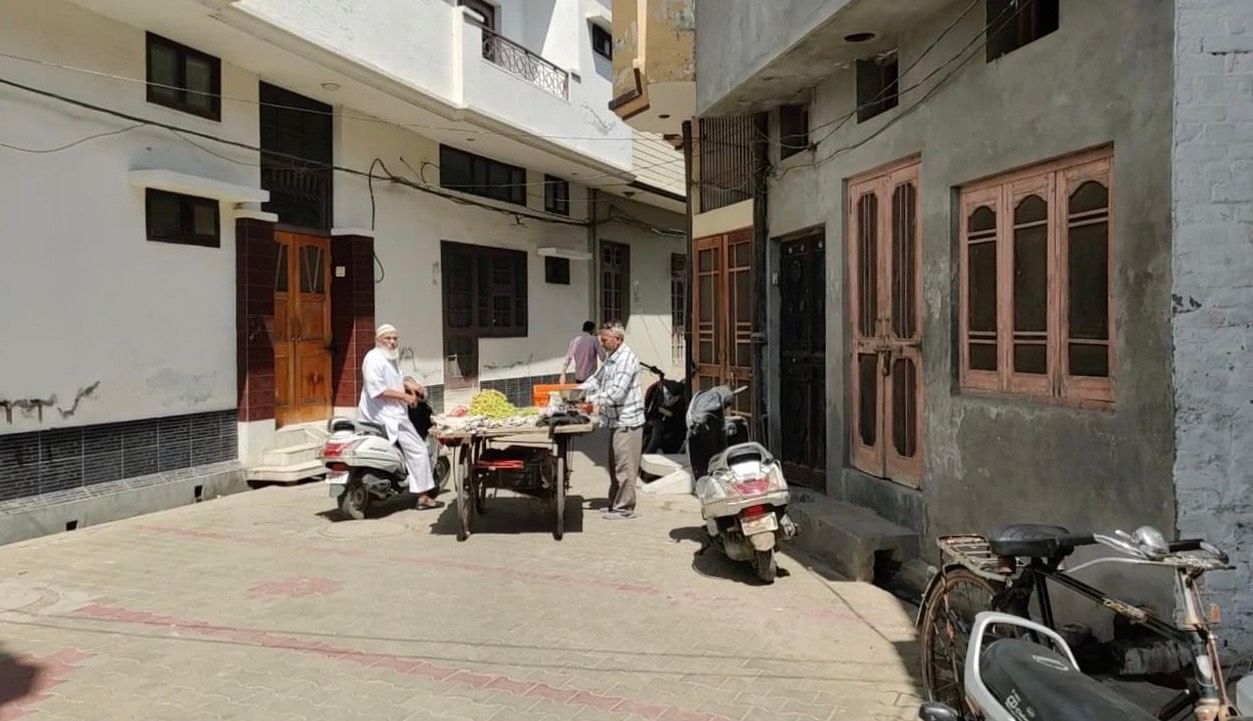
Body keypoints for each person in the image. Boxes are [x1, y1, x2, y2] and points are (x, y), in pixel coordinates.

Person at [359, 324, 441, 510]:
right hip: (385, 415)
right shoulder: (373, 359)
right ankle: (423, 496)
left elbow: (394, 381)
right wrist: (405, 396)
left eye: (395, 338)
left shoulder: (390, 358)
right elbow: (377, 390)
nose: (392, 342)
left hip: (391, 413)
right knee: (419, 449)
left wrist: (410, 385)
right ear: (378, 340)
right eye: (388, 338)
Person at [580, 321, 643, 519]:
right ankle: (614, 502)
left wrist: (591, 401)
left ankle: (624, 508)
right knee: (614, 464)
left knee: (624, 466)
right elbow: (596, 379)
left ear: (617, 339)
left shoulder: (626, 359)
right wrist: (577, 390)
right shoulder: (611, 357)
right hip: (614, 421)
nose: (602, 343)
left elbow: (616, 393)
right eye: (601, 339)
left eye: (605, 340)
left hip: (627, 421)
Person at [559, 321, 605, 385]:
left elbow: (568, 358)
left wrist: (563, 374)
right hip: (590, 377)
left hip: (578, 376)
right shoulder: (594, 340)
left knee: (580, 394)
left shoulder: (575, 340)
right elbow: (603, 357)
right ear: (592, 329)